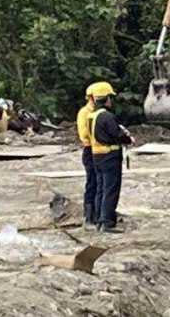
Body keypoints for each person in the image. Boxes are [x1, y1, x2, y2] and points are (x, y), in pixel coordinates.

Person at [88, 82, 135, 233]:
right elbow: (117, 134)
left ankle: (99, 220)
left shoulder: (91, 116)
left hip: (97, 156)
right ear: (106, 98)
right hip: (109, 156)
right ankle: (107, 222)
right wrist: (129, 139)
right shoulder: (106, 116)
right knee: (110, 189)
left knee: (101, 189)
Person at [77, 83, 100, 230]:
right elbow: (84, 134)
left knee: (100, 184)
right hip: (90, 150)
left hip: (99, 151)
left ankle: (99, 214)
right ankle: (89, 217)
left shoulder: (99, 112)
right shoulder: (84, 113)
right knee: (92, 183)